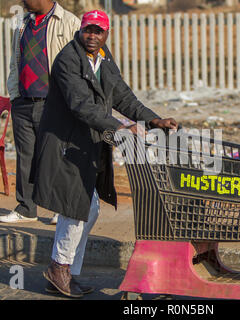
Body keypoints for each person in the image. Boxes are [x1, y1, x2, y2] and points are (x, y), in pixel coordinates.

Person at [32, 10, 178, 298]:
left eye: (99, 31)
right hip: (64, 144)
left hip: (86, 143)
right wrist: (123, 126)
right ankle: (60, 268)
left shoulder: (103, 57)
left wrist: (152, 120)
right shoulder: (68, 60)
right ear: (81, 30)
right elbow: (81, 106)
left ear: (106, 34)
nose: (93, 36)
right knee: (77, 206)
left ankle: (65, 271)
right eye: (88, 30)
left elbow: (122, 95)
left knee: (88, 208)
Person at [0, 0, 80, 225]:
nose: (23, 1)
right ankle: (26, 208)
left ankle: (59, 209)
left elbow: (79, 63)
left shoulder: (69, 22)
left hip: (53, 103)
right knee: (26, 157)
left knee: (56, 155)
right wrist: (14, 95)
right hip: (23, 102)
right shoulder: (23, 24)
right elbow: (16, 61)